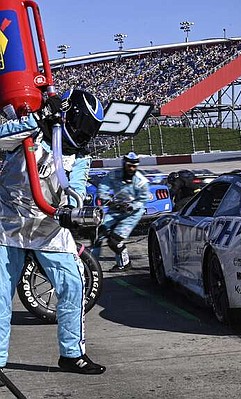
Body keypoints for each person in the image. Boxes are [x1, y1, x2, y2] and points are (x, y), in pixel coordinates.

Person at [0, 89, 106, 375]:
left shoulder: (78, 157)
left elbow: (78, 189)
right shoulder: (26, 131)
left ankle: (72, 354)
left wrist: (74, 210)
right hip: (8, 223)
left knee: (73, 286)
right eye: (83, 127)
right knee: (0, 294)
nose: (85, 136)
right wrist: (35, 118)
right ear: (69, 116)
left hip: (50, 226)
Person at [91, 152, 150, 272]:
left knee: (114, 240)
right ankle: (91, 261)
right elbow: (102, 187)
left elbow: (143, 200)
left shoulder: (141, 181)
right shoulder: (114, 175)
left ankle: (125, 263)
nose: (132, 168)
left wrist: (130, 206)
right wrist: (108, 200)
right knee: (98, 232)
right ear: (124, 164)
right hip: (115, 209)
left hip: (132, 214)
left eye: (134, 166)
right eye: (129, 166)